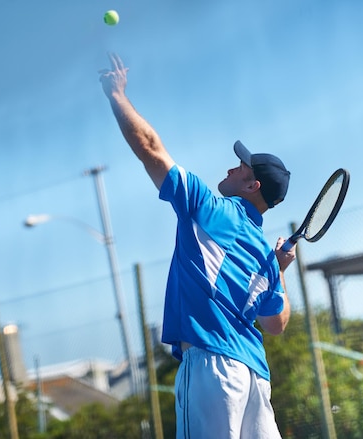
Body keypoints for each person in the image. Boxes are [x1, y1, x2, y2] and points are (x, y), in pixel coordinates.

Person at [99, 52, 296, 439]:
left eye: (241, 166)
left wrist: (116, 95)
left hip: (212, 370)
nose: (232, 167)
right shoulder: (263, 255)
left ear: (252, 185)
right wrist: (280, 271)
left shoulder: (209, 208)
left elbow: (150, 147)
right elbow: (276, 324)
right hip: (255, 377)